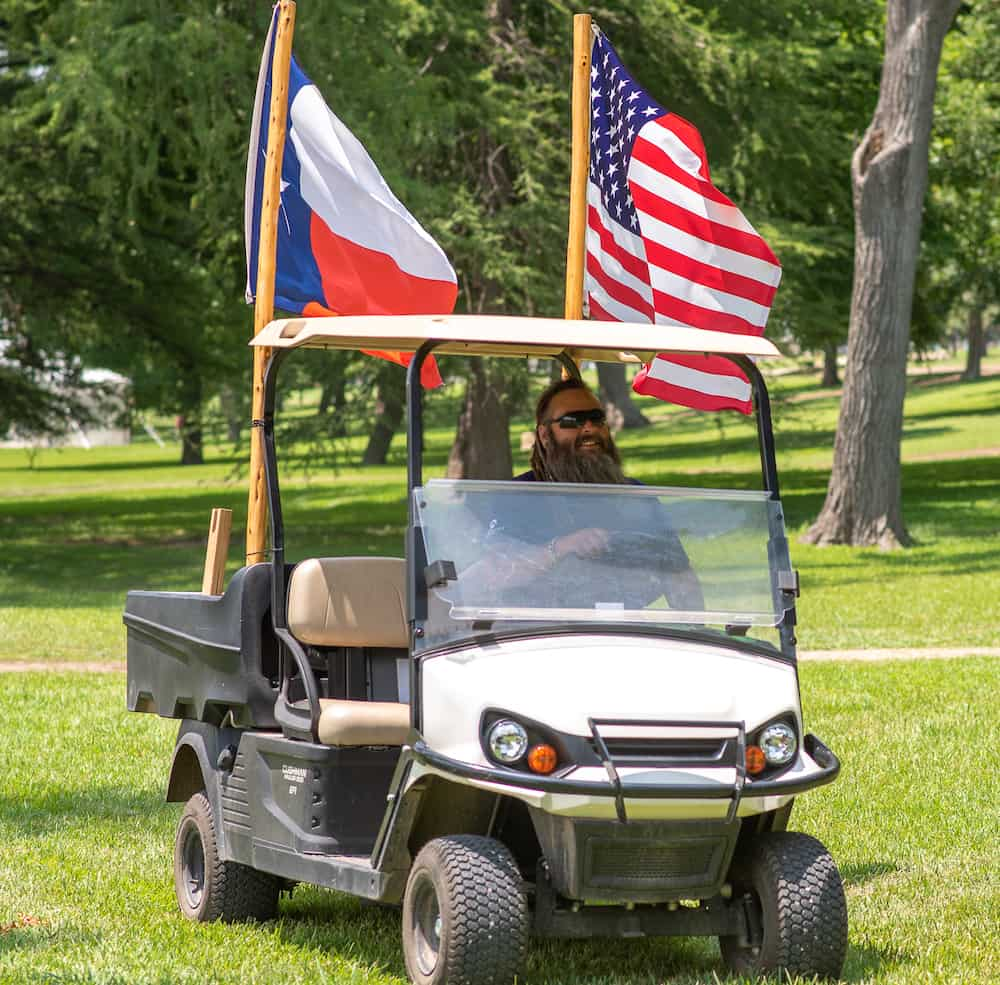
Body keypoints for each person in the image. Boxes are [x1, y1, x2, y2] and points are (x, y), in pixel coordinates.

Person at [468, 377, 705, 611]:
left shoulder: (636, 497)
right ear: (544, 435)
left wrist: (697, 630)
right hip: (540, 637)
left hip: (624, 634)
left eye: (596, 419)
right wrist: (561, 548)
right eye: (572, 421)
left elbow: (679, 574)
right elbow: (495, 574)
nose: (589, 428)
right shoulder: (520, 497)